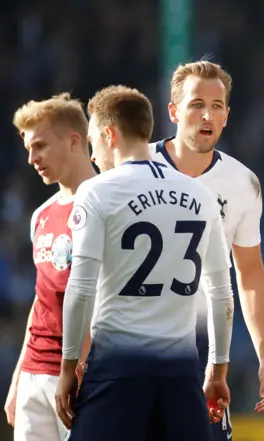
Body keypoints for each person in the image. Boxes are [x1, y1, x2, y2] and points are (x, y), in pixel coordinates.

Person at [54, 85, 233, 441]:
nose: (92, 156)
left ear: (108, 134)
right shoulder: (201, 195)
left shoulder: (98, 190)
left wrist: (67, 368)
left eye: (93, 142)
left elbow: (81, 287)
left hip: (117, 373)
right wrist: (217, 370)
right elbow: (222, 296)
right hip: (181, 379)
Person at [150, 61, 264, 436]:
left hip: (204, 347)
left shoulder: (243, 183)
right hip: (132, 337)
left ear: (227, 116)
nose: (207, 114)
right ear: (173, 110)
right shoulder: (134, 168)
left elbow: (250, 273)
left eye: (217, 105)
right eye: (195, 104)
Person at [6, 94, 96, 441]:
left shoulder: (109, 205)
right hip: (34, 376)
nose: (32, 158)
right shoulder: (40, 215)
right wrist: (18, 378)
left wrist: (79, 369)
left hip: (83, 377)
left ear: (74, 140)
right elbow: (41, 299)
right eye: (29, 148)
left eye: (40, 146)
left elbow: (103, 297)